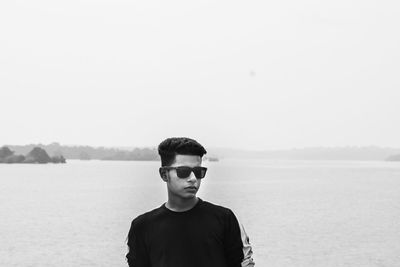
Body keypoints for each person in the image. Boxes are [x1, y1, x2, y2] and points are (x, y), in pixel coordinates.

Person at [126, 137, 255, 267]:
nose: (193, 179)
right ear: (164, 174)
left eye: (198, 172)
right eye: (183, 172)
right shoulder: (142, 227)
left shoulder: (225, 219)